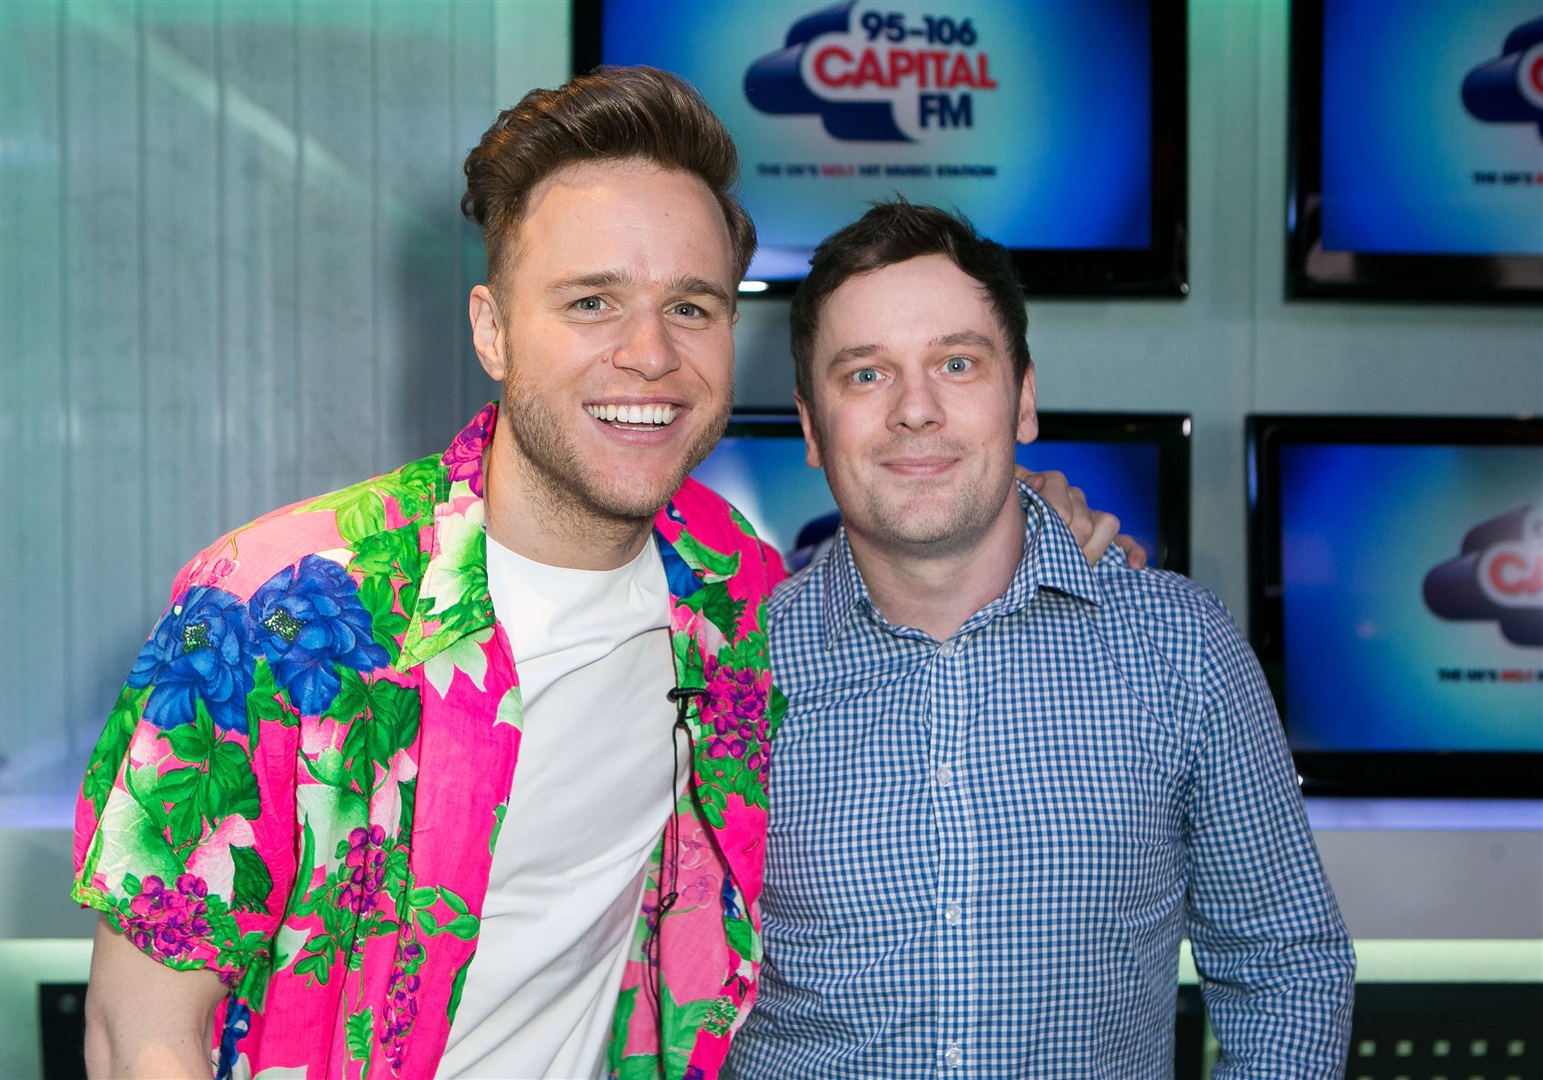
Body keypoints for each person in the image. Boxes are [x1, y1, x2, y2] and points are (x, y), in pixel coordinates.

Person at [72, 70, 1120, 1079]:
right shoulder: (272, 606)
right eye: (590, 303)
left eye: (693, 308)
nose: (650, 355)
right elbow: (140, 1031)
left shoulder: (736, 601)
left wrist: (1037, 523)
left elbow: (911, 562)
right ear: (493, 329)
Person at [725, 200, 1356, 1078]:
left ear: (1022, 398)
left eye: (957, 362)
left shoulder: (1181, 649)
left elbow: (1285, 964)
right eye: (866, 375)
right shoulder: (728, 670)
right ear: (809, 428)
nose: (915, 408)